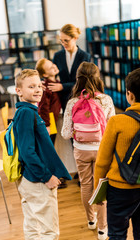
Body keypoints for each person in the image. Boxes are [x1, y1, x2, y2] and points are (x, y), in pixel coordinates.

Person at [13, 69, 72, 240]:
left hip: (31, 179)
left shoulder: (29, 111)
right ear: (19, 91)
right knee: (49, 232)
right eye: (31, 86)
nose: (38, 90)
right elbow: (27, 152)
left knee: (33, 225)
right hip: (38, 181)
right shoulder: (26, 113)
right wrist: (47, 177)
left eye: (39, 85)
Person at [61, 62, 115, 240]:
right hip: (101, 150)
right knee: (101, 187)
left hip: (81, 150)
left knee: (85, 185)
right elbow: (112, 129)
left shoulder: (72, 102)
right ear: (97, 78)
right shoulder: (106, 100)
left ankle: (90, 220)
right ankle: (102, 229)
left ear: (77, 80)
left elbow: (65, 133)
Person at [94, 68, 140, 240]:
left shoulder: (117, 121)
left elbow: (102, 162)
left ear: (129, 94)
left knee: (117, 234)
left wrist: (98, 192)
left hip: (120, 190)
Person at [49, 23, 91, 113]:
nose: (63, 44)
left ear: (75, 38)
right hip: (64, 100)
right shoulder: (57, 56)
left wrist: (63, 86)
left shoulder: (85, 57)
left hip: (81, 98)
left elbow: (85, 82)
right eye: (61, 41)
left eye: (66, 40)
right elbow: (51, 73)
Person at [35, 58, 61, 144]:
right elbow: (43, 107)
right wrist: (47, 125)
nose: (54, 66)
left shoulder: (57, 82)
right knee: (50, 143)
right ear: (45, 74)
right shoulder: (45, 88)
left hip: (54, 118)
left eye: (53, 64)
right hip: (50, 120)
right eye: (50, 68)